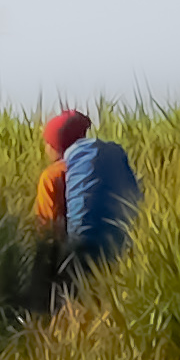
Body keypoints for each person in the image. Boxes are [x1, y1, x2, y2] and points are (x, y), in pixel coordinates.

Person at [33, 107, 139, 302]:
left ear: (55, 145)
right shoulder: (100, 165)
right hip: (120, 251)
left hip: (77, 259)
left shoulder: (52, 176)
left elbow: (46, 231)